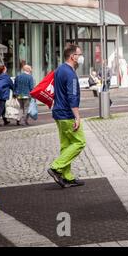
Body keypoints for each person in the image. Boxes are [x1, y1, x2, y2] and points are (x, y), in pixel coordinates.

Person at [47, 45, 86, 188]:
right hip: (67, 114)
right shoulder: (70, 74)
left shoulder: (59, 70)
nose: (81, 57)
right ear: (72, 56)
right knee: (80, 142)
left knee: (66, 145)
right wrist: (77, 117)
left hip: (58, 112)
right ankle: (56, 167)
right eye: (79, 54)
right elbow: (72, 95)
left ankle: (67, 176)